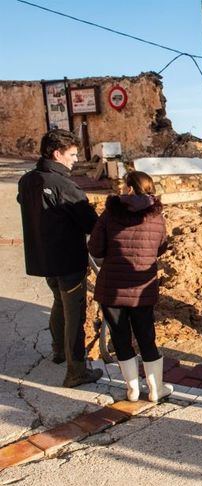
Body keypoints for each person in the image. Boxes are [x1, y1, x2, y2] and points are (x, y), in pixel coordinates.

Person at [17, 129, 103, 387]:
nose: (75, 159)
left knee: (58, 303)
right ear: (57, 153)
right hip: (67, 259)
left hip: (43, 259)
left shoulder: (28, 180)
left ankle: (58, 351)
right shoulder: (63, 184)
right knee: (74, 313)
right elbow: (91, 224)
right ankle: (76, 370)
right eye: (72, 154)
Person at [88, 171, 172, 403]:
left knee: (120, 337)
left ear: (129, 188)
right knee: (146, 336)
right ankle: (156, 390)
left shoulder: (110, 213)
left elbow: (95, 249)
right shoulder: (157, 217)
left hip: (112, 288)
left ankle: (132, 390)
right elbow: (161, 247)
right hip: (141, 289)